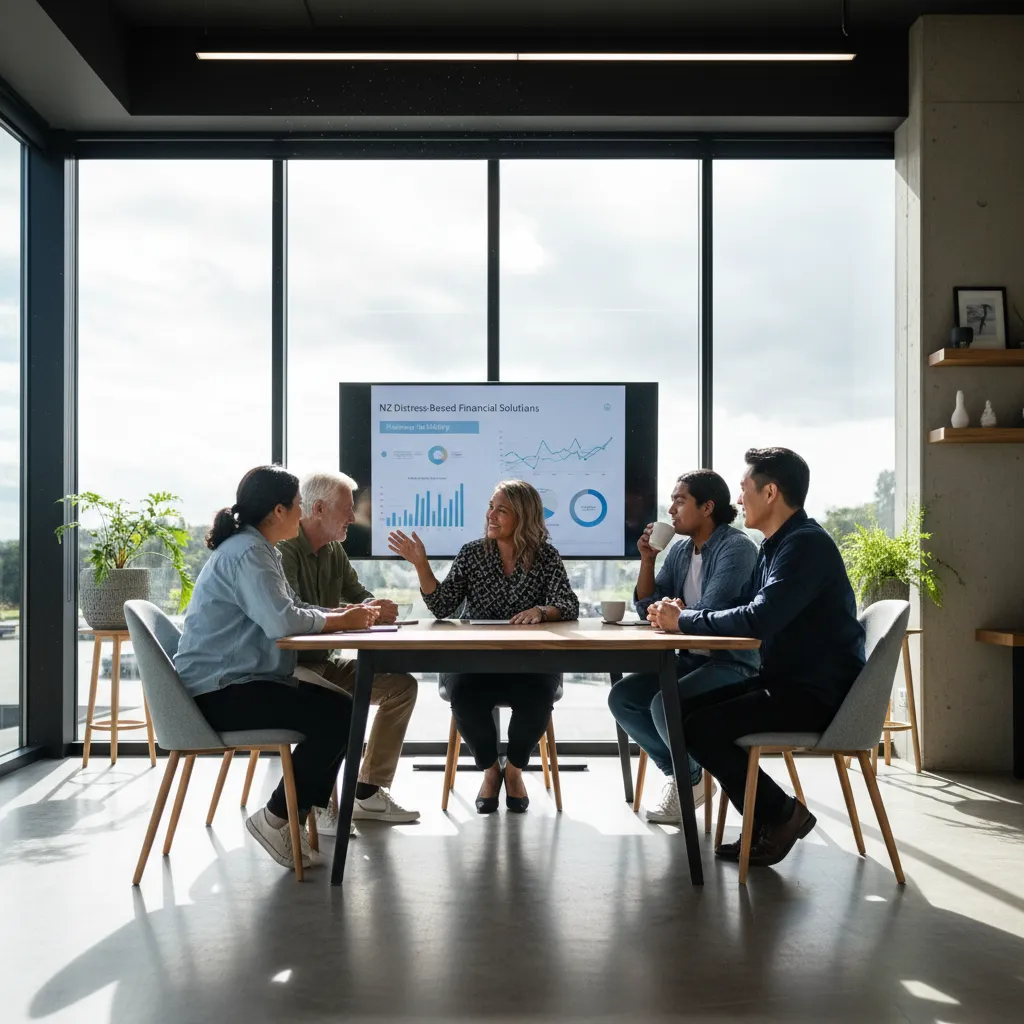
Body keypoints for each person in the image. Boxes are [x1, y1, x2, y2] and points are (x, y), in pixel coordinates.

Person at [649, 447, 866, 869]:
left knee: (701, 726)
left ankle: (781, 814)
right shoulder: (776, 547)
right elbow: (747, 612)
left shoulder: (805, 546)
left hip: (817, 693)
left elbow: (758, 618)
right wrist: (684, 616)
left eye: (745, 489)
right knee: (683, 710)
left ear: (770, 493)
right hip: (787, 682)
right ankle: (774, 815)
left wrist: (684, 620)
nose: (738, 500)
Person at [174, 465, 380, 871]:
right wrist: (342, 620)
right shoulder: (249, 553)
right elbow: (283, 622)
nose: (302, 512)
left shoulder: (255, 548)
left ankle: (292, 815)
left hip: (239, 683)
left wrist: (343, 615)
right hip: (222, 692)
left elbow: (290, 610)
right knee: (339, 717)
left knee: (343, 709)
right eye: (298, 505)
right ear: (278, 510)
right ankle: (276, 818)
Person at [388, 480, 579, 814]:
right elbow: (443, 605)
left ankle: (515, 771)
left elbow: (568, 603)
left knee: (537, 696)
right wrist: (421, 564)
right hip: (476, 660)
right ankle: (491, 771)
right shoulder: (472, 553)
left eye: (501, 509)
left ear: (523, 515)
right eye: (491, 506)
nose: (491, 515)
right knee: (463, 693)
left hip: (529, 662)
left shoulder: (544, 555)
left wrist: (542, 611)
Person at [608, 469, 759, 824]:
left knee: (665, 703)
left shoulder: (736, 548)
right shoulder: (679, 551)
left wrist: (672, 614)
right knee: (623, 698)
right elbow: (648, 606)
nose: (671, 509)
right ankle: (689, 776)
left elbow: (711, 610)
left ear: (707, 507)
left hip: (733, 665)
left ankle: (688, 780)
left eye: (680, 500)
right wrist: (648, 559)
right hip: (693, 661)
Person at [278, 471, 420, 831]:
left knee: (402, 688)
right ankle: (319, 800)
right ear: (320, 508)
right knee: (333, 705)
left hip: (325, 661)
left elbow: (358, 595)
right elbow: (294, 611)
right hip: (290, 668)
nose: (353, 518)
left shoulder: (334, 549)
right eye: (347, 509)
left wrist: (376, 606)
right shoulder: (284, 550)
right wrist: (353, 615)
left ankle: (366, 792)